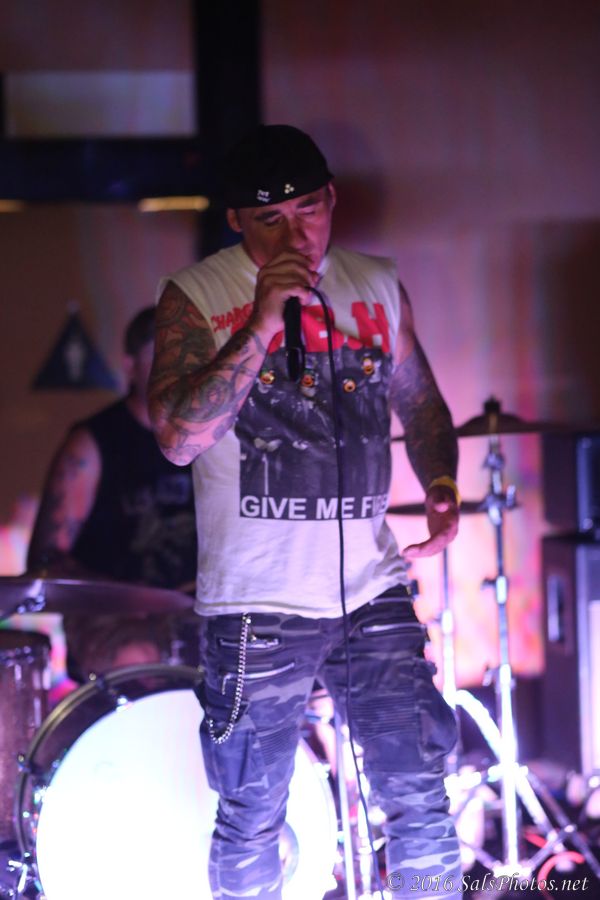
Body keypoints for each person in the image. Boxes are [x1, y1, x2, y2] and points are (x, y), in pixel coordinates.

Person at [148, 125, 463, 899]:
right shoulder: (198, 296)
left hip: (372, 586)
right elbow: (178, 441)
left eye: (309, 211)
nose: (296, 235)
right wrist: (260, 322)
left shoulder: (376, 285)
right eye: (270, 219)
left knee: (420, 792)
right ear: (235, 221)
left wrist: (440, 480)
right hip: (258, 600)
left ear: (331, 200)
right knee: (253, 812)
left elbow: (421, 403)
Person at [27, 307, 197, 679]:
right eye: (161, 359)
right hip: (113, 617)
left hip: (192, 612)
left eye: (185, 361)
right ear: (130, 366)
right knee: (134, 654)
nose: (176, 373)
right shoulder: (93, 442)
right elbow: (46, 558)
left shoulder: (209, 438)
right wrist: (127, 595)